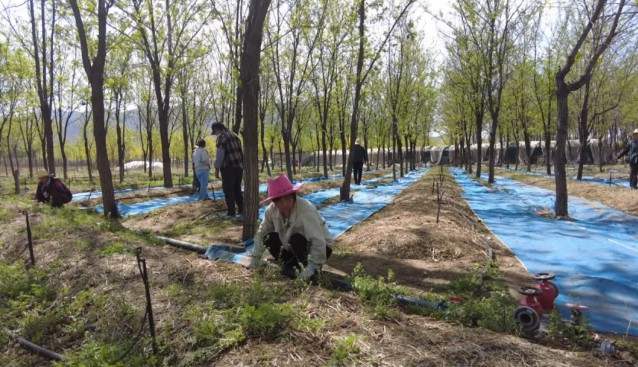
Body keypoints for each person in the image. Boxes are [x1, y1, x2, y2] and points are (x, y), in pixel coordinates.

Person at [250, 174, 334, 281]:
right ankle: (290, 265)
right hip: (290, 246)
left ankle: (310, 267)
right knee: (269, 238)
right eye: (280, 201)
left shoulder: (305, 209)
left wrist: (313, 266)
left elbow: (317, 240)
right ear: (274, 202)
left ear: (293, 195)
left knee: (296, 239)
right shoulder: (271, 211)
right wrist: (255, 257)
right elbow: (261, 233)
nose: (284, 204)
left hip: (321, 247)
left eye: (287, 198)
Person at [211, 122, 244, 219]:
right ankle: (241, 210)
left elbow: (220, 155)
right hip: (239, 166)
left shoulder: (222, 137)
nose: (216, 134)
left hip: (228, 167)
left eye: (215, 132)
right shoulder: (235, 135)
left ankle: (231, 212)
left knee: (228, 190)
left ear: (217, 129)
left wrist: (217, 167)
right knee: (237, 189)